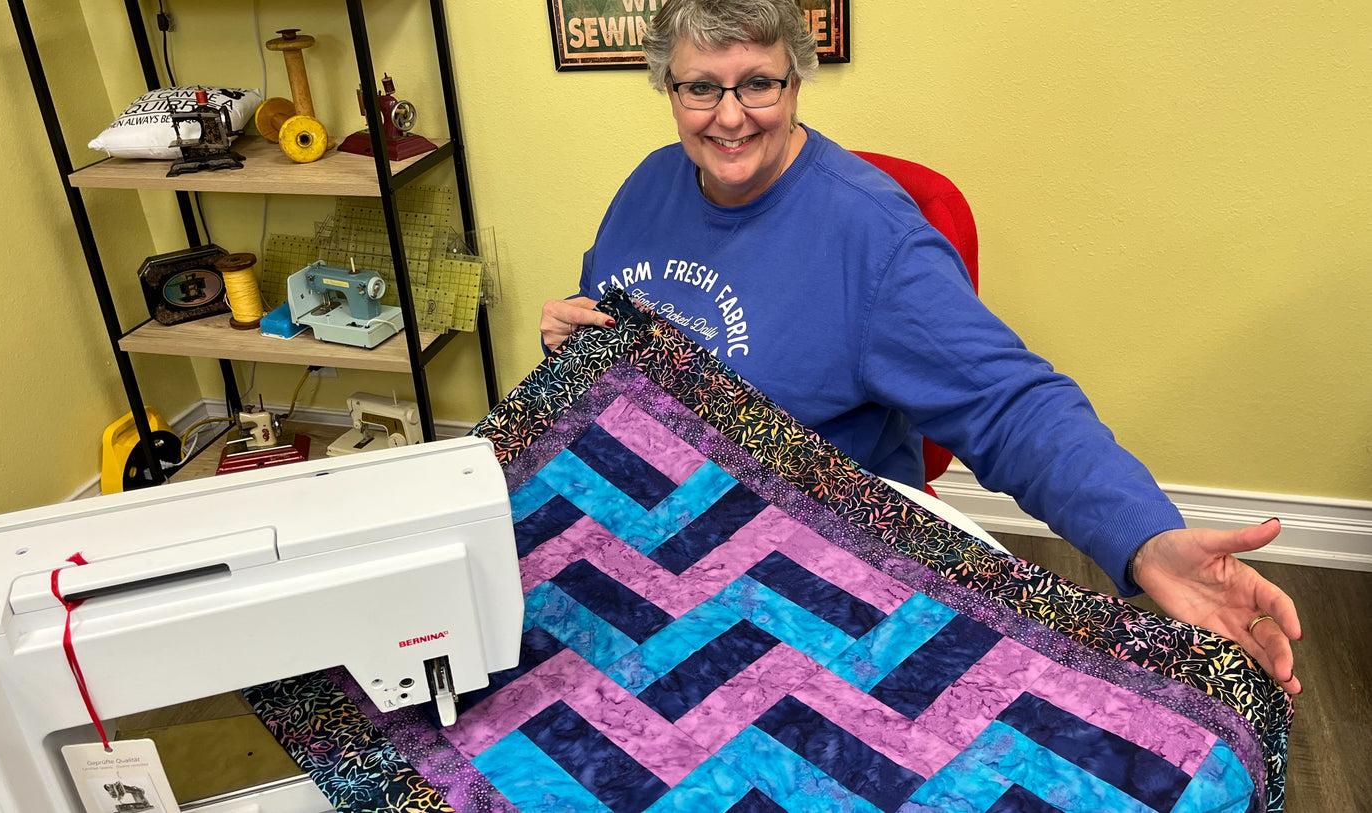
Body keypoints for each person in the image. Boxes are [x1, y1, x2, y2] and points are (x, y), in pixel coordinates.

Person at [540, 0, 1300, 694]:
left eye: (758, 84)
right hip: (647, 526)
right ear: (667, 89)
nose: (729, 117)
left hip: (807, 561)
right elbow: (613, 339)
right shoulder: (649, 183)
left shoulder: (872, 237)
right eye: (700, 88)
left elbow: (1010, 405)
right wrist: (568, 348)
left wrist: (1145, 538)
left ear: (796, 80)